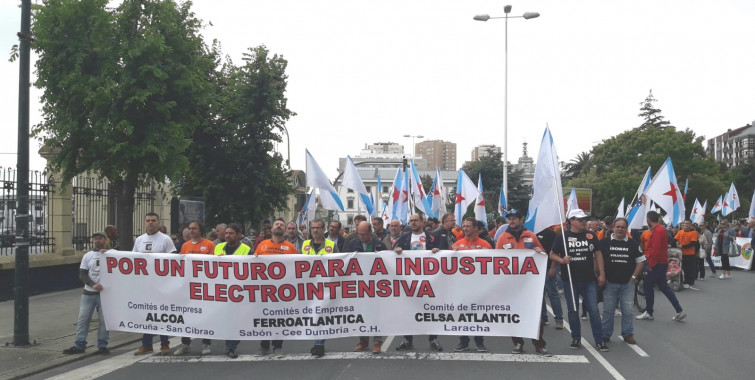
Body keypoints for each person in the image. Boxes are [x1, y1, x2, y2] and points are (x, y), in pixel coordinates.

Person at [550, 209, 609, 352]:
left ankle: (599, 340)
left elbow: (598, 254)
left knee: (594, 310)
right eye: (580, 219)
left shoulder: (591, 235)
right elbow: (552, 254)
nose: (583, 222)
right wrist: (562, 260)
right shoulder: (562, 237)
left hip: (589, 280)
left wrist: (601, 273)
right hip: (570, 280)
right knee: (573, 310)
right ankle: (576, 338)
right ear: (571, 221)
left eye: (584, 219)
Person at [496, 210, 553, 356]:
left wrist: (539, 251)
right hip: (511, 284)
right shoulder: (503, 237)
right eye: (509, 219)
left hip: (530, 284)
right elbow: (496, 259)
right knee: (513, 314)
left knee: (535, 315)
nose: (512, 221)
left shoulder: (531, 236)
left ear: (521, 220)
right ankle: (518, 343)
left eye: (514, 218)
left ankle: (539, 344)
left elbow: (543, 254)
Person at [393, 214, 442, 352]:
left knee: (431, 310)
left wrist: (437, 252)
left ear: (422, 221)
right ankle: (407, 339)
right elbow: (394, 255)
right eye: (411, 221)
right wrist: (396, 251)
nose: (413, 223)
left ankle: (433, 339)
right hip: (410, 281)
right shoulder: (404, 238)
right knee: (409, 309)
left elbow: (444, 253)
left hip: (430, 280)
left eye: (416, 220)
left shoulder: (433, 237)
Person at [133, 212, 177, 356]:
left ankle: (165, 344)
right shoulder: (139, 240)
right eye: (148, 220)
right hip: (145, 285)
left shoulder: (165, 240)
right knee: (146, 314)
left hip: (161, 285)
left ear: (158, 222)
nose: (150, 223)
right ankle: (146, 344)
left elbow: (173, 260)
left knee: (162, 314)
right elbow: (133, 259)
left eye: (153, 220)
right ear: (144, 223)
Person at [254, 218, 298, 357]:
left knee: (279, 319)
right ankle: (264, 346)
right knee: (264, 318)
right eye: (276, 224)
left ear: (284, 230)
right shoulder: (262, 245)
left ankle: (277, 346)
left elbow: (296, 267)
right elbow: (253, 264)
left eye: (281, 225)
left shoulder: (290, 248)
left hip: (282, 291)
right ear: (272, 228)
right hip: (264, 290)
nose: (279, 226)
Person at [63, 231, 111, 355]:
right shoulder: (88, 255)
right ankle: (79, 344)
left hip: (105, 295)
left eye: (100, 238)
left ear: (105, 240)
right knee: (83, 320)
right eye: (95, 239)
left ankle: (103, 345)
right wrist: (92, 284)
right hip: (89, 293)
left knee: (104, 321)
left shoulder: (112, 254)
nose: (97, 241)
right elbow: (82, 273)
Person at [599, 217, 644, 345]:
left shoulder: (633, 244)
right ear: (613, 227)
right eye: (617, 226)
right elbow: (597, 260)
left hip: (627, 284)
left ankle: (628, 334)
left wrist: (634, 277)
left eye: (622, 227)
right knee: (608, 311)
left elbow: (641, 262)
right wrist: (600, 275)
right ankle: (605, 334)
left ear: (626, 228)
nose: (620, 229)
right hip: (609, 284)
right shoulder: (604, 243)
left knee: (628, 310)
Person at [636, 211, 686, 322]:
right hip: (660, 263)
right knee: (664, 287)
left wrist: (651, 265)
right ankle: (679, 310)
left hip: (656, 264)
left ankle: (649, 312)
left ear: (648, 220)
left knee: (648, 286)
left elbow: (656, 250)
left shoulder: (658, 231)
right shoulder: (659, 230)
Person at [174, 221, 216, 355]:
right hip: (188, 286)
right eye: (190, 228)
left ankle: (206, 344)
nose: (191, 231)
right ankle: (185, 343)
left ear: (200, 230)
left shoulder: (209, 244)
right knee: (186, 314)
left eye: (194, 228)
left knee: (205, 315)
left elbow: (213, 263)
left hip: (204, 285)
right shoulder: (185, 245)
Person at [347, 221, 387, 354]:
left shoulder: (380, 245)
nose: (362, 237)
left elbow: (387, 263)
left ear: (370, 232)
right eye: (359, 234)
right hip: (358, 285)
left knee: (376, 313)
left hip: (376, 286)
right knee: (361, 313)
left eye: (364, 234)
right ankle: (363, 341)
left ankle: (377, 342)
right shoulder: (352, 244)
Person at [452, 217, 492, 353]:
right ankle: (463, 341)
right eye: (463, 226)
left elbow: (492, 265)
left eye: (468, 226)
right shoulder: (456, 245)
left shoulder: (485, 245)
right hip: (461, 286)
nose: (464, 228)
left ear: (475, 228)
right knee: (462, 314)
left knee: (478, 313)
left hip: (478, 286)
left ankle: (479, 341)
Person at [301, 219, 338, 357]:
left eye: (318, 228)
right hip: (308, 285)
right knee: (311, 314)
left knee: (321, 313)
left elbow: (339, 263)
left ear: (324, 229)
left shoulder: (331, 245)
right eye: (313, 228)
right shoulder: (304, 245)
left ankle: (319, 344)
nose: (315, 230)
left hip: (325, 285)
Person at [675, 219, 699, 288]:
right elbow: (674, 240)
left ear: (690, 225)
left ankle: (689, 282)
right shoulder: (680, 232)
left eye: (688, 223)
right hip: (681, 254)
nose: (686, 225)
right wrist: (669, 244)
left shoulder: (693, 232)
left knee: (689, 269)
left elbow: (693, 243)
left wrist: (682, 246)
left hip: (690, 254)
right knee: (681, 268)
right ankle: (682, 281)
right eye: (685, 223)